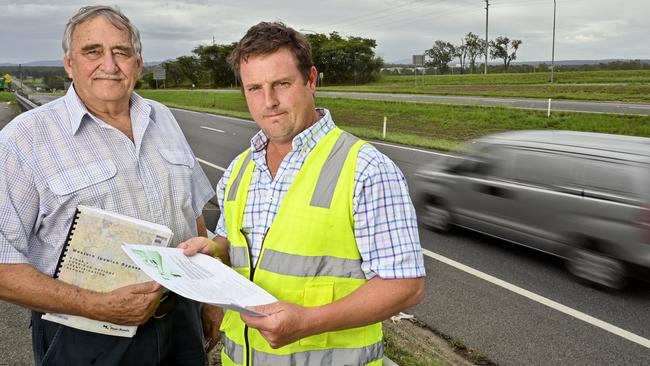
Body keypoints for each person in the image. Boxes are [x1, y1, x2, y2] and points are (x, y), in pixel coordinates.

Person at [184, 21, 426, 365]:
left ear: (311, 80)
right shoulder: (239, 169)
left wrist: (308, 323)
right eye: (254, 88)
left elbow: (405, 285)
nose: (269, 102)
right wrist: (214, 249)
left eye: (281, 84)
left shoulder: (365, 169)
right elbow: (232, 244)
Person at [0, 5, 222, 365]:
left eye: (122, 51)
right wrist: (97, 305)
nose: (109, 64)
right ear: (69, 64)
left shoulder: (162, 118)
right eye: (92, 51)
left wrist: (208, 299)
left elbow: (192, 212)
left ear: (137, 62)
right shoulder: (24, 140)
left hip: (181, 318)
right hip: (85, 332)